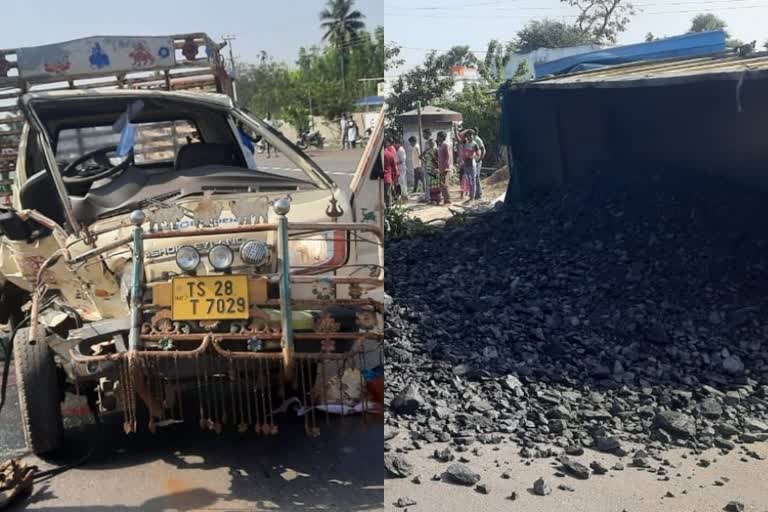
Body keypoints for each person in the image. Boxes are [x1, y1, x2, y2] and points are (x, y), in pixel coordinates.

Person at [461, 129, 481, 201]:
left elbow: (478, 154)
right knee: (468, 181)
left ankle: (472, 198)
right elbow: (459, 137)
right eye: (468, 135)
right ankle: (470, 197)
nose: (469, 137)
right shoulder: (465, 143)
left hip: (472, 164)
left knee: (473, 181)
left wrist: (472, 157)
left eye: (470, 135)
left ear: (473, 136)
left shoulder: (475, 144)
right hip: (466, 164)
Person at [436, 131, 453, 205]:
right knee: (441, 184)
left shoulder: (445, 145)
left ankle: (448, 200)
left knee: (444, 184)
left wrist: (445, 167)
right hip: (441, 167)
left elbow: (448, 157)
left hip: (445, 168)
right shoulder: (440, 145)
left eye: (438, 136)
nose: (437, 138)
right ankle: (446, 199)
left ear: (442, 137)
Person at [382, 137, 399, 208]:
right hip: (387, 178)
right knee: (388, 195)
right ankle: (389, 209)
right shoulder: (389, 155)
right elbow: (394, 168)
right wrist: (396, 177)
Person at [473, 127, 486, 199]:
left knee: (476, 176)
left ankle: (479, 193)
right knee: (474, 177)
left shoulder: (478, 139)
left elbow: (483, 149)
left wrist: (480, 159)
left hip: (477, 161)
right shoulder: (472, 139)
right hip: (473, 161)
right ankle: (476, 193)